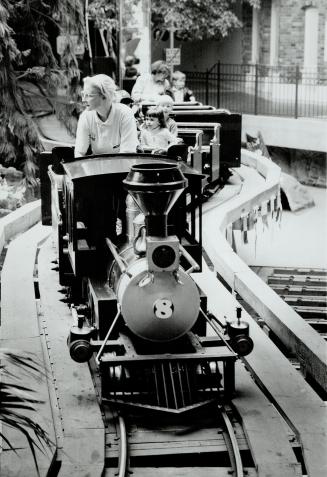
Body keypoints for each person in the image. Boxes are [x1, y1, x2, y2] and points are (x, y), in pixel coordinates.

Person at [75, 74, 138, 157]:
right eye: (83, 94)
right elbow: (79, 152)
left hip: (122, 166)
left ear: (104, 96)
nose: (83, 100)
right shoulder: (85, 116)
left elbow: (127, 154)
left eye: (89, 95)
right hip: (97, 166)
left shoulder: (125, 114)